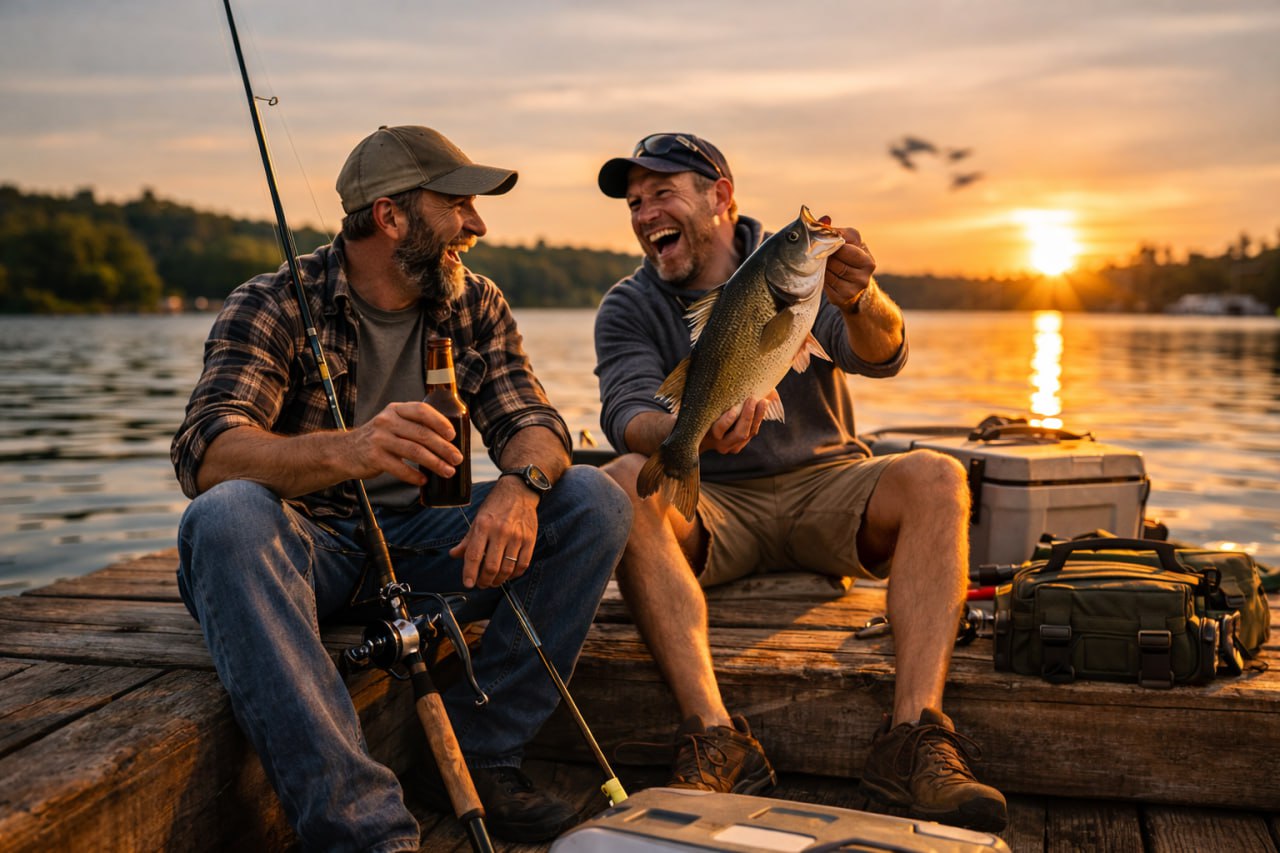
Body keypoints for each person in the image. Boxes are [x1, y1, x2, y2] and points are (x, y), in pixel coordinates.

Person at [171, 125, 632, 851]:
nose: (476, 223)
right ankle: (365, 832)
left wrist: (520, 483)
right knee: (224, 518)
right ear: (390, 217)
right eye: (457, 204)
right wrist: (349, 449)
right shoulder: (274, 302)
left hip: (425, 550)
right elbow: (207, 451)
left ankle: (482, 749)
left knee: (596, 500)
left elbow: (537, 423)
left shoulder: (473, 302)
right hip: (305, 551)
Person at [592, 132, 1007, 832]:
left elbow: (884, 355)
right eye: (634, 202)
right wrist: (683, 434)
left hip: (828, 482)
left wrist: (862, 297)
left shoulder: (798, 269)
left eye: (661, 192)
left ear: (720, 196)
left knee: (940, 475)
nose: (642, 213)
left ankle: (914, 738)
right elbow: (625, 408)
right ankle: (717, 736)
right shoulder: (628, 305)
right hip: (717, 505)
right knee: (620, 483)